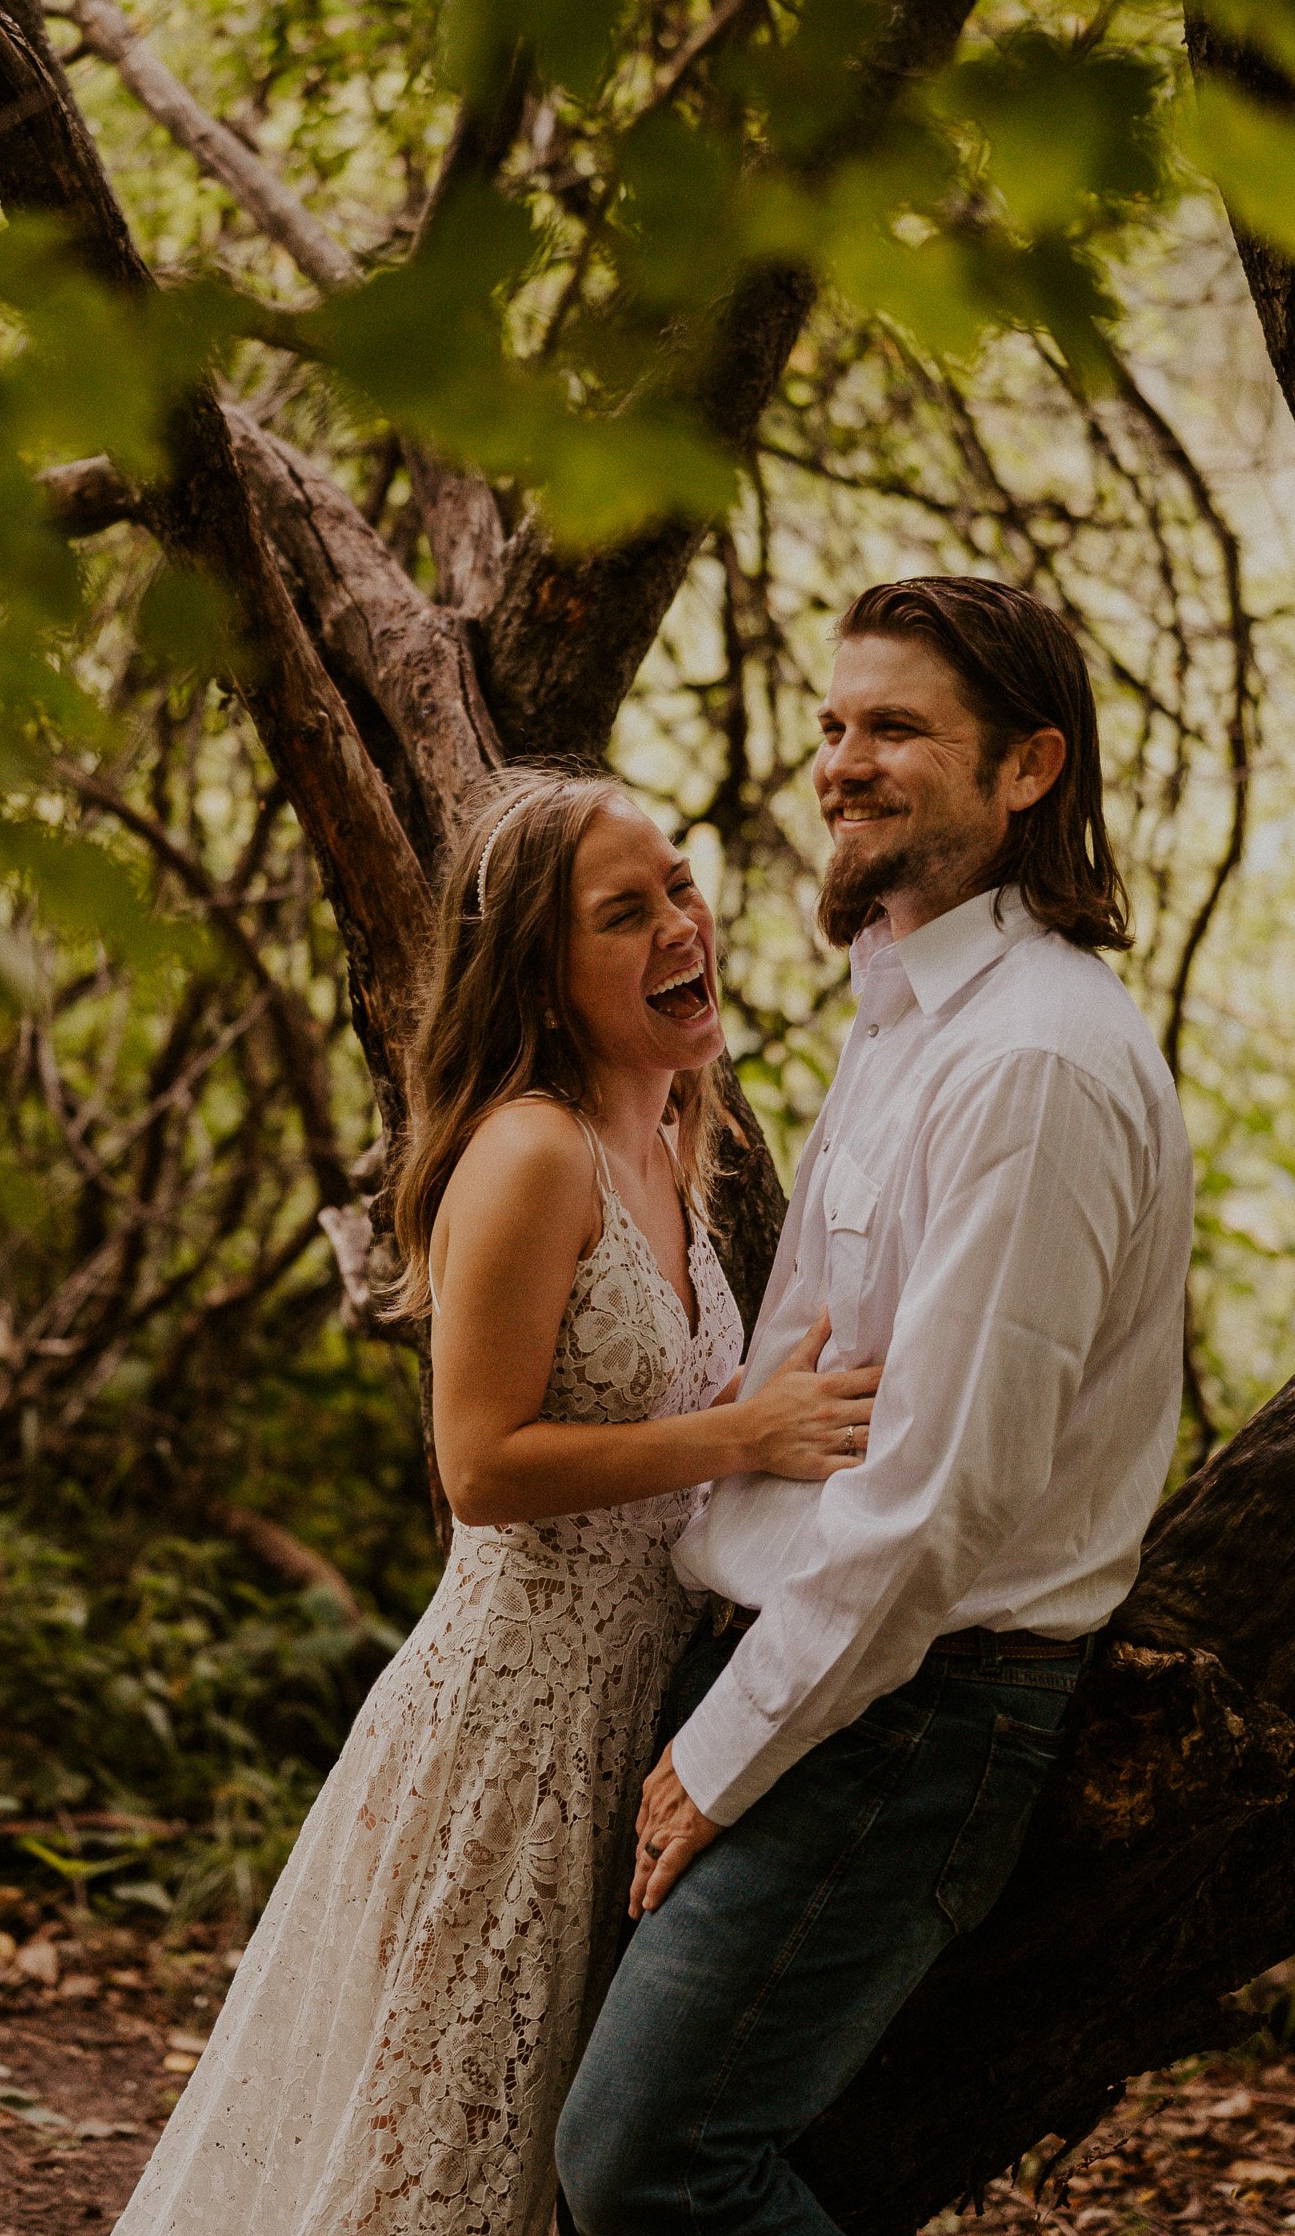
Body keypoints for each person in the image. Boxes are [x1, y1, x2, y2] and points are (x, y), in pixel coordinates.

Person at [112, 767, 879, 2236]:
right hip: (510, 1729)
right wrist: (744, 1437)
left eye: (679, 887)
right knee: (442, 2144)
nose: (679, 926)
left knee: (551, 2151)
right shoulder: (530, 1152)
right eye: (625, 912)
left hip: (631, 1717)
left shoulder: (669, 1134)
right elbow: (482, 1468)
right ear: (540, 971)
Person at [555, 576, 1195, 2236]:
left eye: (896, 728)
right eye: (839, 725)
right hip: (819, 1667)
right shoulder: (913, 1015)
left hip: (906, 1711)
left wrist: (718, 1752)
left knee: (643, 2167)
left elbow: (939, 1505)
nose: (842, 761)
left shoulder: (1034, 1062)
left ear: (1029, 769)